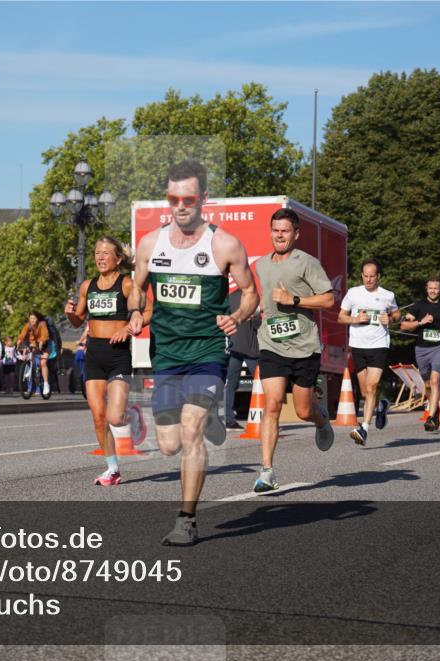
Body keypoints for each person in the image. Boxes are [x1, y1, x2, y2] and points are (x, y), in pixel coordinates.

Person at [128, 159, 258, 546]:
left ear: (203, 198)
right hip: (167, 354)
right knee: (169, 445)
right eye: (173, 199)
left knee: (190, 431)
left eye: (188, 199)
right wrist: (136, 311)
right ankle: (209, 416)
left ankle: (186, 520)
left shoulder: (224, 244)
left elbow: (250, 293)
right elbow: (137, 288)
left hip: (206, 352)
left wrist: (237, 316)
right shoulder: (150, 244)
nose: (180, 206)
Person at [251, 207, 335, 493]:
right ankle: (266, 471)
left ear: (296, 234)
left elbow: (328, 300)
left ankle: (320, 419)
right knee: (272, 404)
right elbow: (261, 299)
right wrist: (241, 315)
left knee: (302, 411)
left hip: (303, 346)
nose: (279, 235)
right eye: (275, 230)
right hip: (271, 343)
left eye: (285, 231)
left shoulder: (307, 262)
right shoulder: (261, 265)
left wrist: (294, 300)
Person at [65, 237, 152, 486]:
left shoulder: (127, 284)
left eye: (105, 253)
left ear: (118, 258)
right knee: (99, 417)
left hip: (118, 355)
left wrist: (129, 328)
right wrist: (70, 314)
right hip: (94, 355)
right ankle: (112, 468)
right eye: (97, 253)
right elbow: (78, 320)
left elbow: (148, 310)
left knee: (115, 417)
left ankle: (132, 417)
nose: (100, 257)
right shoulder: (87, 286)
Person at [338, 258, 400, 445]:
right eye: (365, 276)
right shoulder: (353, 293)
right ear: (362, 276)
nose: (369, 279)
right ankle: (381, 407)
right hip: (358, 346)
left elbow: (397, 314)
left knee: (372, 387)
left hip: (379, 345)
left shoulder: (387, 295)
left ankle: (364, 429)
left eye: (372, 276)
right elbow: (341, 317)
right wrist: (355, 319)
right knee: (366, 392)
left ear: (378, 276)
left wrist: (391, 319)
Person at [401, 278, 440, 432]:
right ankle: (435, 410)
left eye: (436, 288)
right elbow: (404, 325)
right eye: (430, 288)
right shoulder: (418, 306)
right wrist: (420, 322)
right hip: (422, 349)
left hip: (439, 347)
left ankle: (430, 417)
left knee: (435, 379)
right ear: (426, 289)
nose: (433, 291)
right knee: (428, 385)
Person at [224, 288, 260, 430]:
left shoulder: (229, 297)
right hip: (251, 350)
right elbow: (258, 324)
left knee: (230, 385)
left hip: (233, 347)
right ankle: (264, 418)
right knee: (262, 384)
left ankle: (229, 420)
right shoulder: (253, 298)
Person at [17, 311, 51, 397]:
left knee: (43, 363)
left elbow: (45, 334)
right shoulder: (28, 325)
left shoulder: (42, 324)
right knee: (31, 358)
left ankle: (46, 383)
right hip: (35, 343)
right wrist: (19, 340)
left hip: (46, 344)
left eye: (34, 318)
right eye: (31, 318)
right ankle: (32, 373)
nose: (32, 320)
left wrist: (42, 341)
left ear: (37, 319)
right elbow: (23, 334)